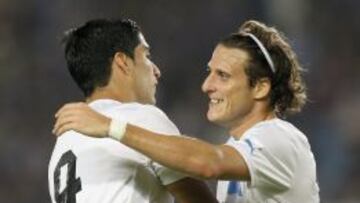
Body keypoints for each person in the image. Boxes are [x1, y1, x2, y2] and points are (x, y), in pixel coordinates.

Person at [53, 20, 320, 203]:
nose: (206, 86)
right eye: (209, 73)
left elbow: (209, 163)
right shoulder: (236, 151)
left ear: (261, 87)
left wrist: (112, 128)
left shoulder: (280, 138)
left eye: (223, 75)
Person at [48, 18, 218, 203]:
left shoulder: (65, 139)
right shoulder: (140, 118)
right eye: (146, 56)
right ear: (123, 62)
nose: (156, 70)